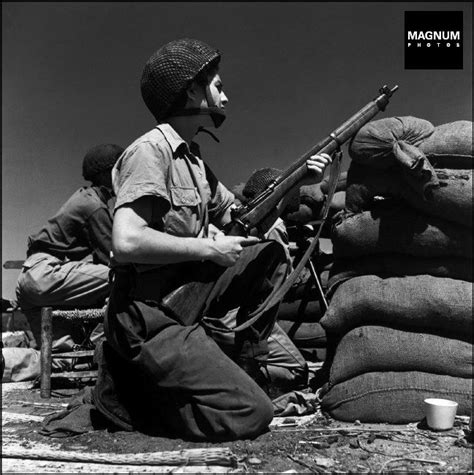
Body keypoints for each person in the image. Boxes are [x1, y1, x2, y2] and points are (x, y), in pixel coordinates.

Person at [93, 38, 332, 441]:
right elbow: (127, 243)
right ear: (190, 89)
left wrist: (295, 185)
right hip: (147, 318)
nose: (226, 93)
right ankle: (137, 403)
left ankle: (243, 365)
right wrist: (209, 247)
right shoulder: (151, 151)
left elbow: (244, 220)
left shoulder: (195, 161)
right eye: (217, 84)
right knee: (252, 414)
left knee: (268, 254)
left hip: (183, 302)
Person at [15, 143, 124, 352]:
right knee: (124, 276)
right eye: (120, 169)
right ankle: (99, 341)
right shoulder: (94, 206)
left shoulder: (86, 198)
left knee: (61, 359)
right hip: (45, 275)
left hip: (30, 280)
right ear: (106, 173)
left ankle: (6, 359)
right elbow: (115, 256)